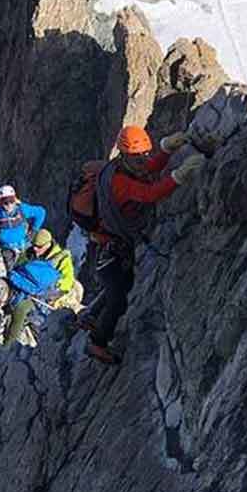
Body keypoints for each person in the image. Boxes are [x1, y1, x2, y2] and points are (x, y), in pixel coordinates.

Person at [80, 126, 204, 363]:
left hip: (112, 243)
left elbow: (146, 169)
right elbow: (150, 193)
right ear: (126, 155)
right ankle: (97, 342)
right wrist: (179, 176)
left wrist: (166, 150)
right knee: (118, 298)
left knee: (122, 284)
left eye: (144, 154)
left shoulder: (120, 167)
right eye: (138, 157)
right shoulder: (120, 182)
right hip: (110, 245)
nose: (142, 160)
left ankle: (92, 316)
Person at [5, 229, 77, 344]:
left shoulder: (62, 260)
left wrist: (44, 293)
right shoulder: (31, 252)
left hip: (46, 296)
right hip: (28, 288)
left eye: (39, 246)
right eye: (34, 245)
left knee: (21, 309)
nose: (35, 249)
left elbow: (66, 283)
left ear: (48, 244)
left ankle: (10, 342)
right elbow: (19, 266)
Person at [0, 184, 46, 271]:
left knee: (30, 270)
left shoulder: (22, 209)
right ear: (0, 202)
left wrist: (34, 230)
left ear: (15, 199)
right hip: (7, 250)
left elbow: (41, 212)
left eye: (11, 201)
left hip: (24, 246)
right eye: (6, 202)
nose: (9, 205)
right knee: (13, 273)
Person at [3, 250, 64, 346]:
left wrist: (7, 345)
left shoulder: (21, 307)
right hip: (50, 283)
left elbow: (14, 330)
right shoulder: (37, 270)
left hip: (39, 297)